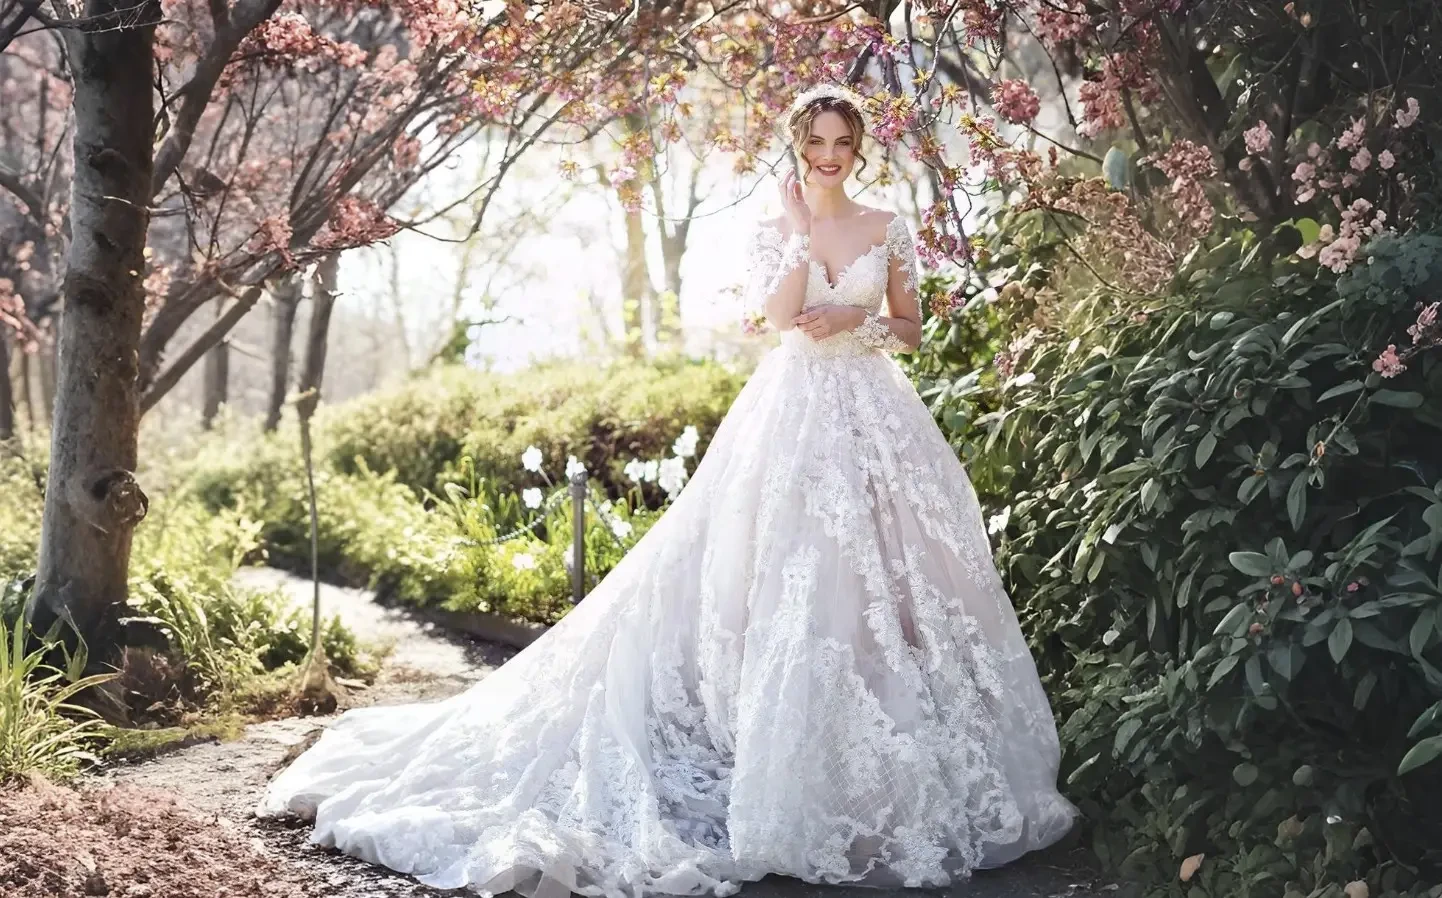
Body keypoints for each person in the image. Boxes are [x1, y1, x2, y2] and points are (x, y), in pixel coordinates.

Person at [259, 83, 1078, 898]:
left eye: (841, 143)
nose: (829, 156)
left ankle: (881, 746)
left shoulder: (886, 226)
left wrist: (854, 324)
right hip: (792, 416)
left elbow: (910, 327)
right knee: (794, 575)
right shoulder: (773, 229)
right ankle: (783, 748)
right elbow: (779, 317)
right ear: (798, 147)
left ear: (858, 148)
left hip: (877, 418)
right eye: (816, 143)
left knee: (888, 583)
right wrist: (799, 233)